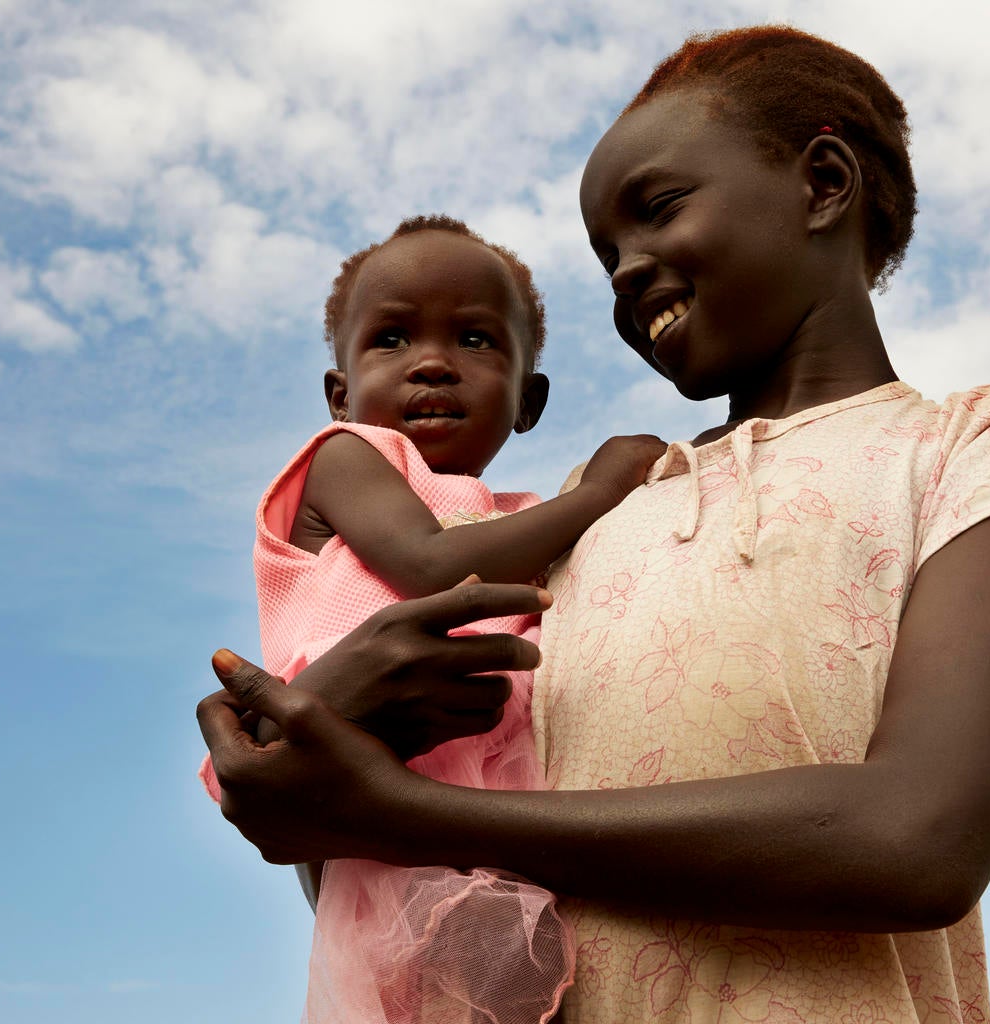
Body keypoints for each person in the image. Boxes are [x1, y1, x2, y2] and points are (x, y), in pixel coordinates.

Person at [198, 26, 990, 1024]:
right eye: (606, 253)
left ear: (823, 183)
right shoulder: (591, 504)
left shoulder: (989, 445)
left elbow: (917, 841)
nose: (625, 270)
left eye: (656, 212)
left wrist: (400, 814)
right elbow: (378, 855)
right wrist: (329, 724)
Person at [199, 213, 666, 1024]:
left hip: (502, 835)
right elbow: (428, 568)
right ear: (339, 395)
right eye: (390, 339)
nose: (433, 363)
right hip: (382, 832)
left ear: (529, 399)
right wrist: (602, 492)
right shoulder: (345, 460)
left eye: (478, 341)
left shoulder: (522, 521)